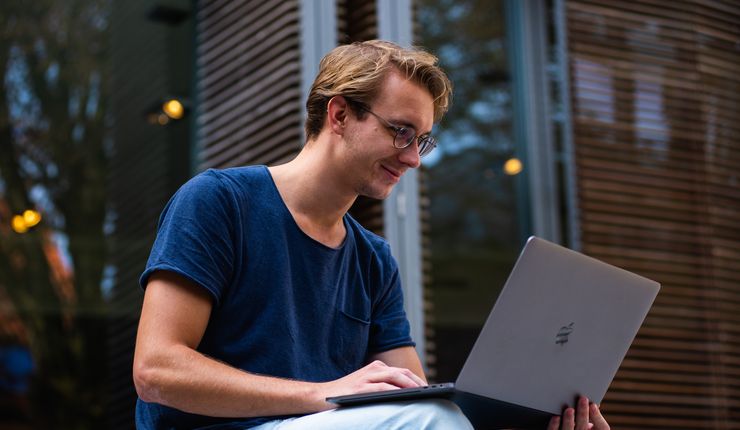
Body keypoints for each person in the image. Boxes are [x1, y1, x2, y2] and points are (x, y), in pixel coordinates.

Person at [133, 40, 610, 430]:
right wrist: (322, 394)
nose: (414, 158)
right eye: (402, 132)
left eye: (422, 140)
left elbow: (415, 397)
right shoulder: (220, 201)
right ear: (339, 115)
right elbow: (156, 371)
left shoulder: (372, 259)